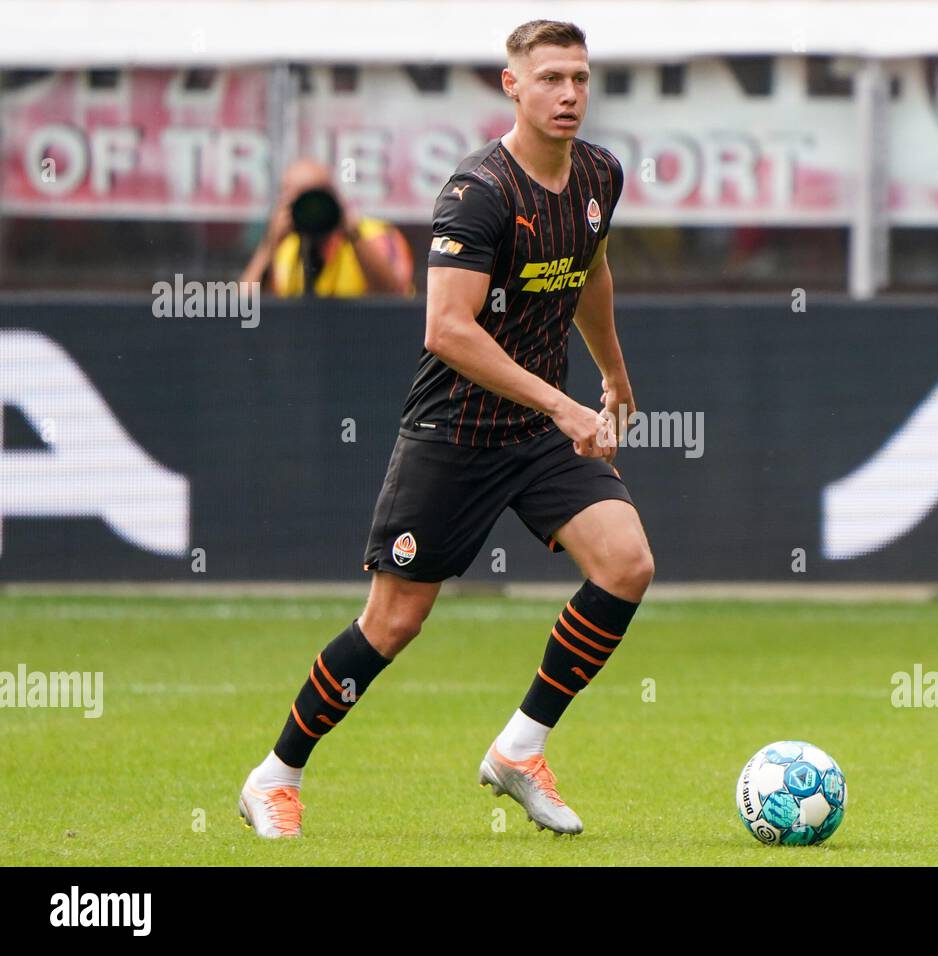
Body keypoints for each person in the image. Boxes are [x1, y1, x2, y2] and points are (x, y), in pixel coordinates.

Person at [238, 19, 653, 837]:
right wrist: (566, 406)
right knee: (393, 622)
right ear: (512, 86)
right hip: (455, 430)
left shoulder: (601, 173)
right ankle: (274, 776)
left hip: (536, 431)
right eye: (550, 79)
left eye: (579, 77)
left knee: (627, 564)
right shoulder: (480, 192)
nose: (568, 94)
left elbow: (592, 271)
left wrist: (611, 371)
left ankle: (519, 750)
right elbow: (447, 330)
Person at [240, 158, 413, 296]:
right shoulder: (283, 249)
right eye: (301, 201)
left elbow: (393, 294)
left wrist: (353, 234)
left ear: (334, 196)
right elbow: (244, 309)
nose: (312, 210)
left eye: (317, 197)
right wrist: (270, 244)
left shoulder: (376, 235)